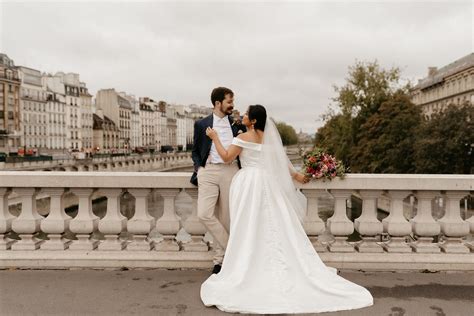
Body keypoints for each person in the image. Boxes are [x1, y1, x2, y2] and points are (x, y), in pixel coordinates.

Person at [200, 104, 373, 314]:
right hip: (269, 184)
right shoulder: (271, 141)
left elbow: (227, 157)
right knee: (275, 224)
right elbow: (284, 165)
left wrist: (215, 137)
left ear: (253, 121)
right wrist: (304, 175)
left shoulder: (243, 138)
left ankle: (249, 264)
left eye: (246, 114)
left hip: (249, 185)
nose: (242, 116)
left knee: (249, 226)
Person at [191, 87, 246, 274]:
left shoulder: (237, 124)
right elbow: (195, 151)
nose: (232, 105)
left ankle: (219, 261)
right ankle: (233, 250)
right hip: (208, 171)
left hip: (230, 171)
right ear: (217, 103)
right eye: (229, 102)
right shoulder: (201, 124)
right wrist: (200, 169)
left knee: (225, 218)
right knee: (204, 214)